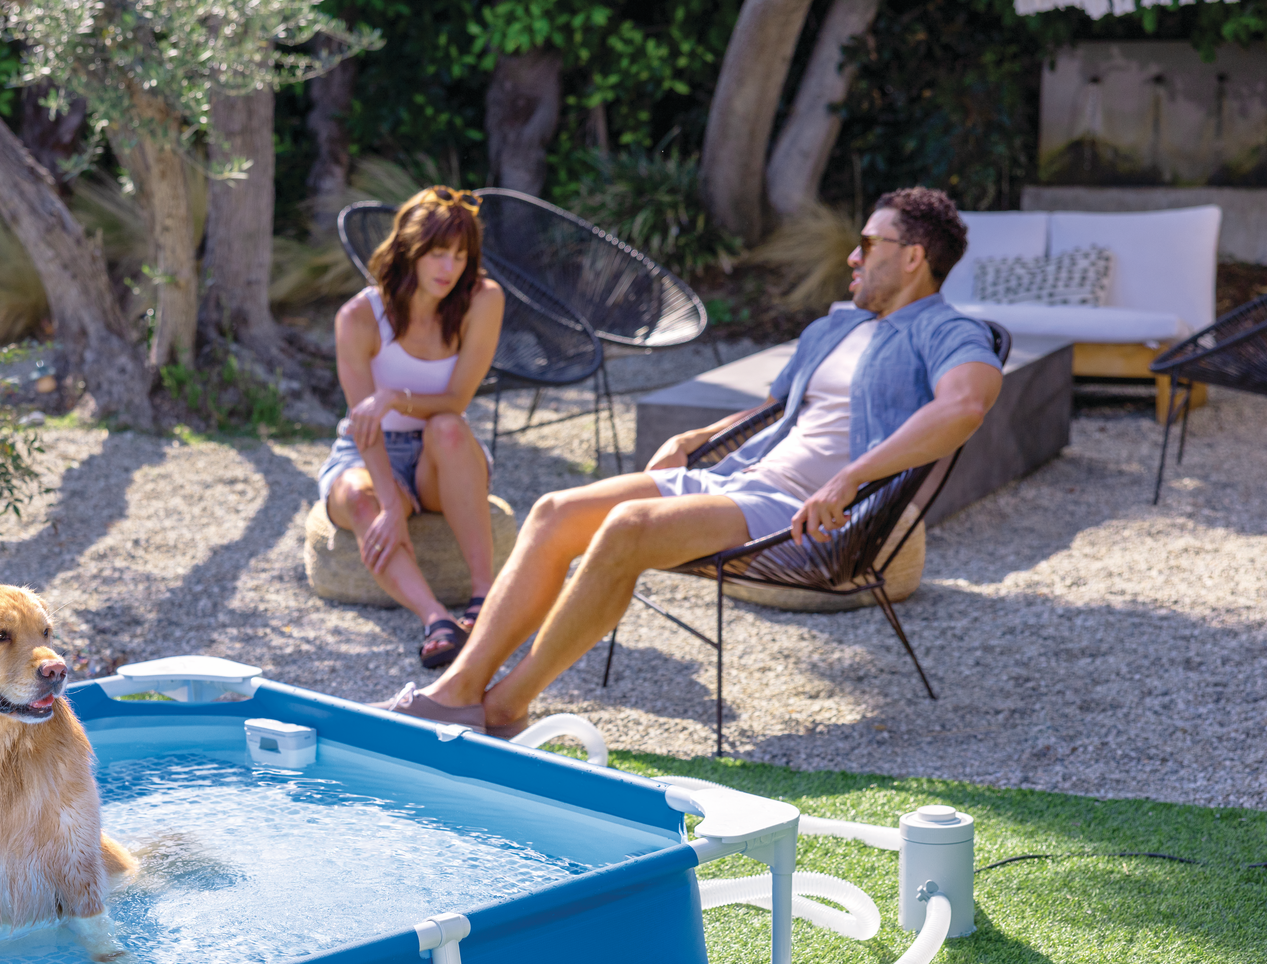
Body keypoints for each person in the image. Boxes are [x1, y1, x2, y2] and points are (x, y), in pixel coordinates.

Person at [379, 186, 1004, 734]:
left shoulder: (945, 331)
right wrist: (696, 436)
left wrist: (851, 477)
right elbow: (774, 414)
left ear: (913, 257)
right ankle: (457, 692)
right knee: (552, 511)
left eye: (868, 243)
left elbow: (966, 405)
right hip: (736, 481)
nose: (852, 256)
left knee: (628, 527)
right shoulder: (837, 327)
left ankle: (503, 706)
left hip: (801, 517)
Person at [320, 186, 506, 669]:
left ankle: (484, 599)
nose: (449, 268)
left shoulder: (482, 300)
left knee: (447, 426)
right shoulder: (359, 316)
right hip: (367, 450)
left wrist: (394, 397)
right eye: (438, 253)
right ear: (410, 250)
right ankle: (436, 620)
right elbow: (363, 424)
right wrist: (390, 503)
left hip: (439, 456)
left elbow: (457, 401)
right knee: (362, 499)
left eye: (460, 256)